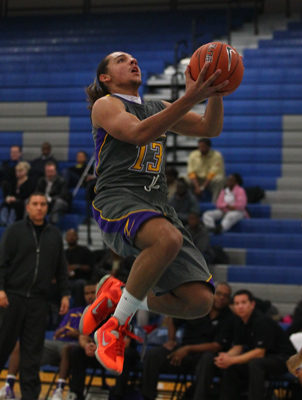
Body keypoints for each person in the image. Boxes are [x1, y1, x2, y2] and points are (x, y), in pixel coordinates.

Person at [79, 50, 231, 375]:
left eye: (134, 58)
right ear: (105, 78)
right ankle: (115, 326)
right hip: (119, 198)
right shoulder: (106, 105)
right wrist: (191, 95)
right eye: (121, 60)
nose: (132, 61)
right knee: (167, 239)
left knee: (199, 302)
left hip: (157, 203)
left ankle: (120, 292)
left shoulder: (158, 107)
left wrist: (216, 92)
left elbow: (209, 127)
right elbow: (137, 134)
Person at [0, 192, 70, 400]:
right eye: (35, 204)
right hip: (12, 297)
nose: (39, 208)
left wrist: (65, 294)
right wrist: (0, 289)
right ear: (28, 207)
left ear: (46, 208)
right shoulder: (15, 231)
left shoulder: (54, 235)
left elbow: (61, 268)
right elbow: (1, 262)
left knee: (32, 353)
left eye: (42, 204)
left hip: (39, 301)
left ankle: (30, 396)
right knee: (2, 344)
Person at [0, 282, 96, 400]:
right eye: (86, 293)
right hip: (55, 343)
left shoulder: (98, 314)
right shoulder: (73, 311)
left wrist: (74, 333)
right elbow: (57, 332)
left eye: (92, 293)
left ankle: (59, 389)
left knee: (68, 349)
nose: (89, 296)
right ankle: (9, 385)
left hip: (73, 346)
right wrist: (67, 331)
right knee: (19, 345)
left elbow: (92, 338)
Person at [140, 282, 233, 400]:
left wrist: (187, 349)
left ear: (229, 299)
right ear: (212, 294)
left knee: (208, 358)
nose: (222, 297)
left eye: (226, 296)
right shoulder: (197, 306)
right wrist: (171, 340)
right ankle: (147, 397)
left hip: (204, 360)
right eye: (219, 294)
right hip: (181, 356)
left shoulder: (229, 317)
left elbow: (217, 346)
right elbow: (173, 321)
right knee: (153, 354)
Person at [214, 289, 296, 400]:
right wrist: (226, 357)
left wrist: (232, 360)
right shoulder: (239, 321)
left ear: (252, 304)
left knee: (255, 364)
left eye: (243, 303)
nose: (240, 307)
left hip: (285, 359)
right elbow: (238, 346)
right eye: (237, 304)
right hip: (265, 358)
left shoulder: (262, 321)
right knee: (231, 366)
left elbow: (259, 353)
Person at [0, 161, 35, 226]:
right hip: (13, 200)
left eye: (20, 171)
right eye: (17, 171)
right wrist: (8, 197)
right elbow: (10, 191)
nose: (18, 173)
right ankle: (2, 222)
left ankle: (11, 223)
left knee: (16, 205)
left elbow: (27, 193)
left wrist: (16, 198)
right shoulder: (14, 181)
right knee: (5, 204)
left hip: (22, 201)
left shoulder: (30, 182)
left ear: (26, 171)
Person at [65, 228, 93, 306]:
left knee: (79, 284)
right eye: (69, 235)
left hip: (81, 279)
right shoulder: (64, 253)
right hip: (67, 280)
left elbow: (90, 267)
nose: (71, 237)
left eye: (73, 235)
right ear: (66, 238)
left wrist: (77, 267)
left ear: (77, 237)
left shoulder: (84, 251)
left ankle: (78, 311)